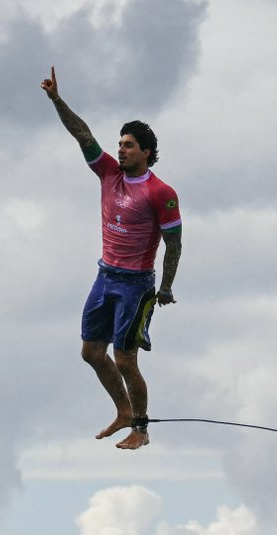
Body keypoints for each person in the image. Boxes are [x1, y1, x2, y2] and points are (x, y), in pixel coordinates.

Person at [40, 66, 182, 450]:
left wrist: (166, 287)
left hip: (136, 285)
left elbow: (174, 242)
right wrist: (56, 100)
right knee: (91, 352)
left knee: (125, 359)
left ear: (147, 153)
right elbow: (82, 134)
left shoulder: (160, 192)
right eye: (119, 144)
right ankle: (122, 411)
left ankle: (141, 427)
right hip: (105, 276)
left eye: (129, 145)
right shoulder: (108, 173)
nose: (120, 149)